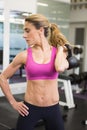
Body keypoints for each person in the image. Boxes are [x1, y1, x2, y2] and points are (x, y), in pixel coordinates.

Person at [0, 14, 70, 130]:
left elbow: (60, 67)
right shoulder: (24, 55)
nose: (24, 35)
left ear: (41, 30)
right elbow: (2, 77)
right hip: (29, 108)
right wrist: (13, 102)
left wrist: (61, 49)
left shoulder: (58, 53)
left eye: (27, 31)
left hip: (53, 109)